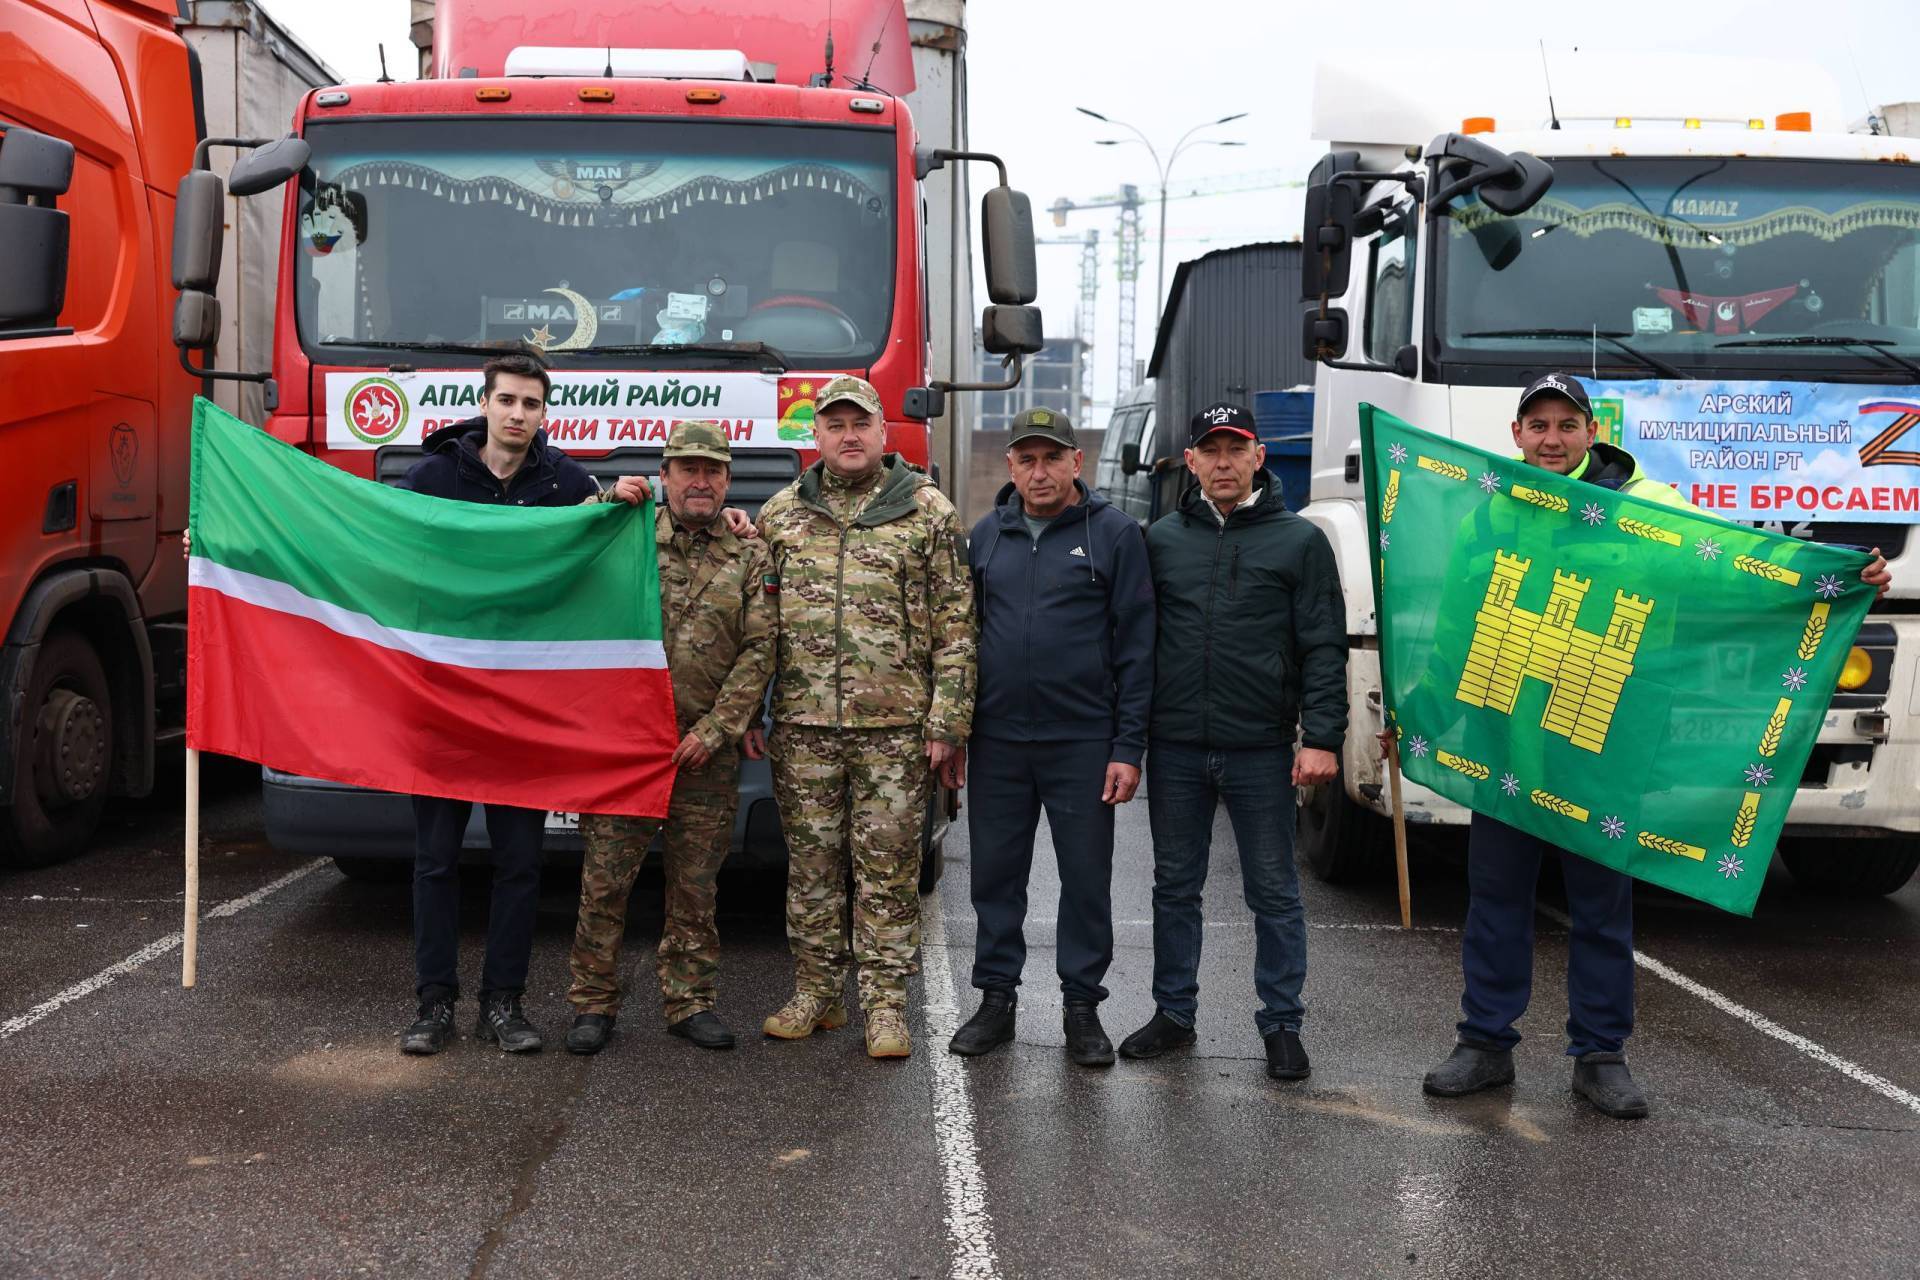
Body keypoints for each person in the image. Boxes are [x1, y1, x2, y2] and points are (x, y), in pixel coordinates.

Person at [1422, 373, 1893, 1119]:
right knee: (1496, 900)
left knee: (1602, 907)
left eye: (1565, 425)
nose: (1550, 439)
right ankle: (1484, 1043)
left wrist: (1840, 573)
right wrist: (1418, 710)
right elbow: (1457, 628)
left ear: (1591, 432)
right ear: (1516, 435)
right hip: (1507, 739)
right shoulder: (1490, 516)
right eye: (1537, 425)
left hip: (1600, 737)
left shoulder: (1646, 510)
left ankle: (1600, 1055)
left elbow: (1737, 569)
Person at [1119, 402, 1347, 1082]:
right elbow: (1134, 645)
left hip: (1260, 749)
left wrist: (1323, 737)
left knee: (1273, 891)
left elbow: (1323, 646)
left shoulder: (1298, 542)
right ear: (1189, 461)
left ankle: (1281, 1024)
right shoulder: (1160, 540)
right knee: (1174, 888)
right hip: (1179, 746)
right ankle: (1174, 1015)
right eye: (1209, 450)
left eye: (1235, 449)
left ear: (1258, 457)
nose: (1222, 462)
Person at [756, 374, 975, 1059]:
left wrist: (948, 722)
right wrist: (749, 713)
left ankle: (884, 1007)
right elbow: (758, 623)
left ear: (883, 433)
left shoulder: (929, 512)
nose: (848, 437)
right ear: (815, 435)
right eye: (834, 425)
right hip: (803, 727)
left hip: (896, 732)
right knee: (814, 868)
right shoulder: (780, 515)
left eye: (860, 425)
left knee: (886, 872)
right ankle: (816, 993)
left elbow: (958, 625)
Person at [397, 351, 607, 1056]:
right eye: (508, 400)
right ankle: (433, 1005)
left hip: (524, 708)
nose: (519, 414)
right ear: (483, 403)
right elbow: (367, 549)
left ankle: (504, 1004)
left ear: (546, 414)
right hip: (446, 703)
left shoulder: (568, 484)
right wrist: (221, 541)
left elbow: (606, 557)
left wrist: (623, 509)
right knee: (435, 860)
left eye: (533, 404)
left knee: (521, 863)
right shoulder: (430, 479)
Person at [947, 407, 1155, 1067]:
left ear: (1076, 463)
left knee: (1086, 880)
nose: (1040, 472)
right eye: (1027, 459)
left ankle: (1081, 1007)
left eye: (1052, 458)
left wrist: (1128, 748)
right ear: (1011, 467)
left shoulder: (1115, 536)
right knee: (996, 878)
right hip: (999, 741)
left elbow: (1137, 650)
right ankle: (996, 1001)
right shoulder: (985, 537)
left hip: (1082, 742)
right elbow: (959, 643)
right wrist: (954, 731)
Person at [563, 421, 776, 1056]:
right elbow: (557, 549)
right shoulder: (624, 533)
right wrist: (602, 502)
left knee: (695, 885)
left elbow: (761, 646)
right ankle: (592, 1004)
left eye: (713, 471)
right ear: (665, 476)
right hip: (627, 748)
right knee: (604, 881)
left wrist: (718, 729)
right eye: (687, 469)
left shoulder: (750, 553)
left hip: (703, 753)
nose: (701, 481)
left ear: (728, 481)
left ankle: (689, 1001)